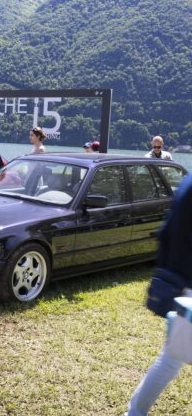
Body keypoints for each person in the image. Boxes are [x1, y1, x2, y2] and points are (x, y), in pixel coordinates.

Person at [127, 172, 192, 416]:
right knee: (171, 361)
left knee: (171, 360)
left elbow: (167, 232)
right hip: (187, 285)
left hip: (179, 280)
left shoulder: (188, 182)